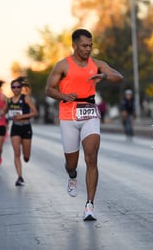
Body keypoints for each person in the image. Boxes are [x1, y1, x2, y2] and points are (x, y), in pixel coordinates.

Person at [45, 28, 123, 221]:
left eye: (90, 46)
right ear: (74, 45)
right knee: (72, 163)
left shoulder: (96, 64)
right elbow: (48, 89)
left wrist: (103, 76)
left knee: (91, 157)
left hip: (89, 113)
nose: (88, 49)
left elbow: (118, 77)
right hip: (68, 116)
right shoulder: (63, 65)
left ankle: (89, 205)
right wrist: (63, 95)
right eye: (84, 46)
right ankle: (72, 176)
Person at [7, 77, 38, 186]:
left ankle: (26, 157)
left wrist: (22, 116)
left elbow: (35, 112)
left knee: (26, 157)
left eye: (18, 87)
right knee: (16, 153)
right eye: (13, 87)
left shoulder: (25, 98)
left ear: (21, 88)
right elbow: (6, 113)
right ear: (11, 88)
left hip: (26, 128)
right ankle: (19, 177)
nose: (16, 89)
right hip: (15, 128)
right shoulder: (9, 100)